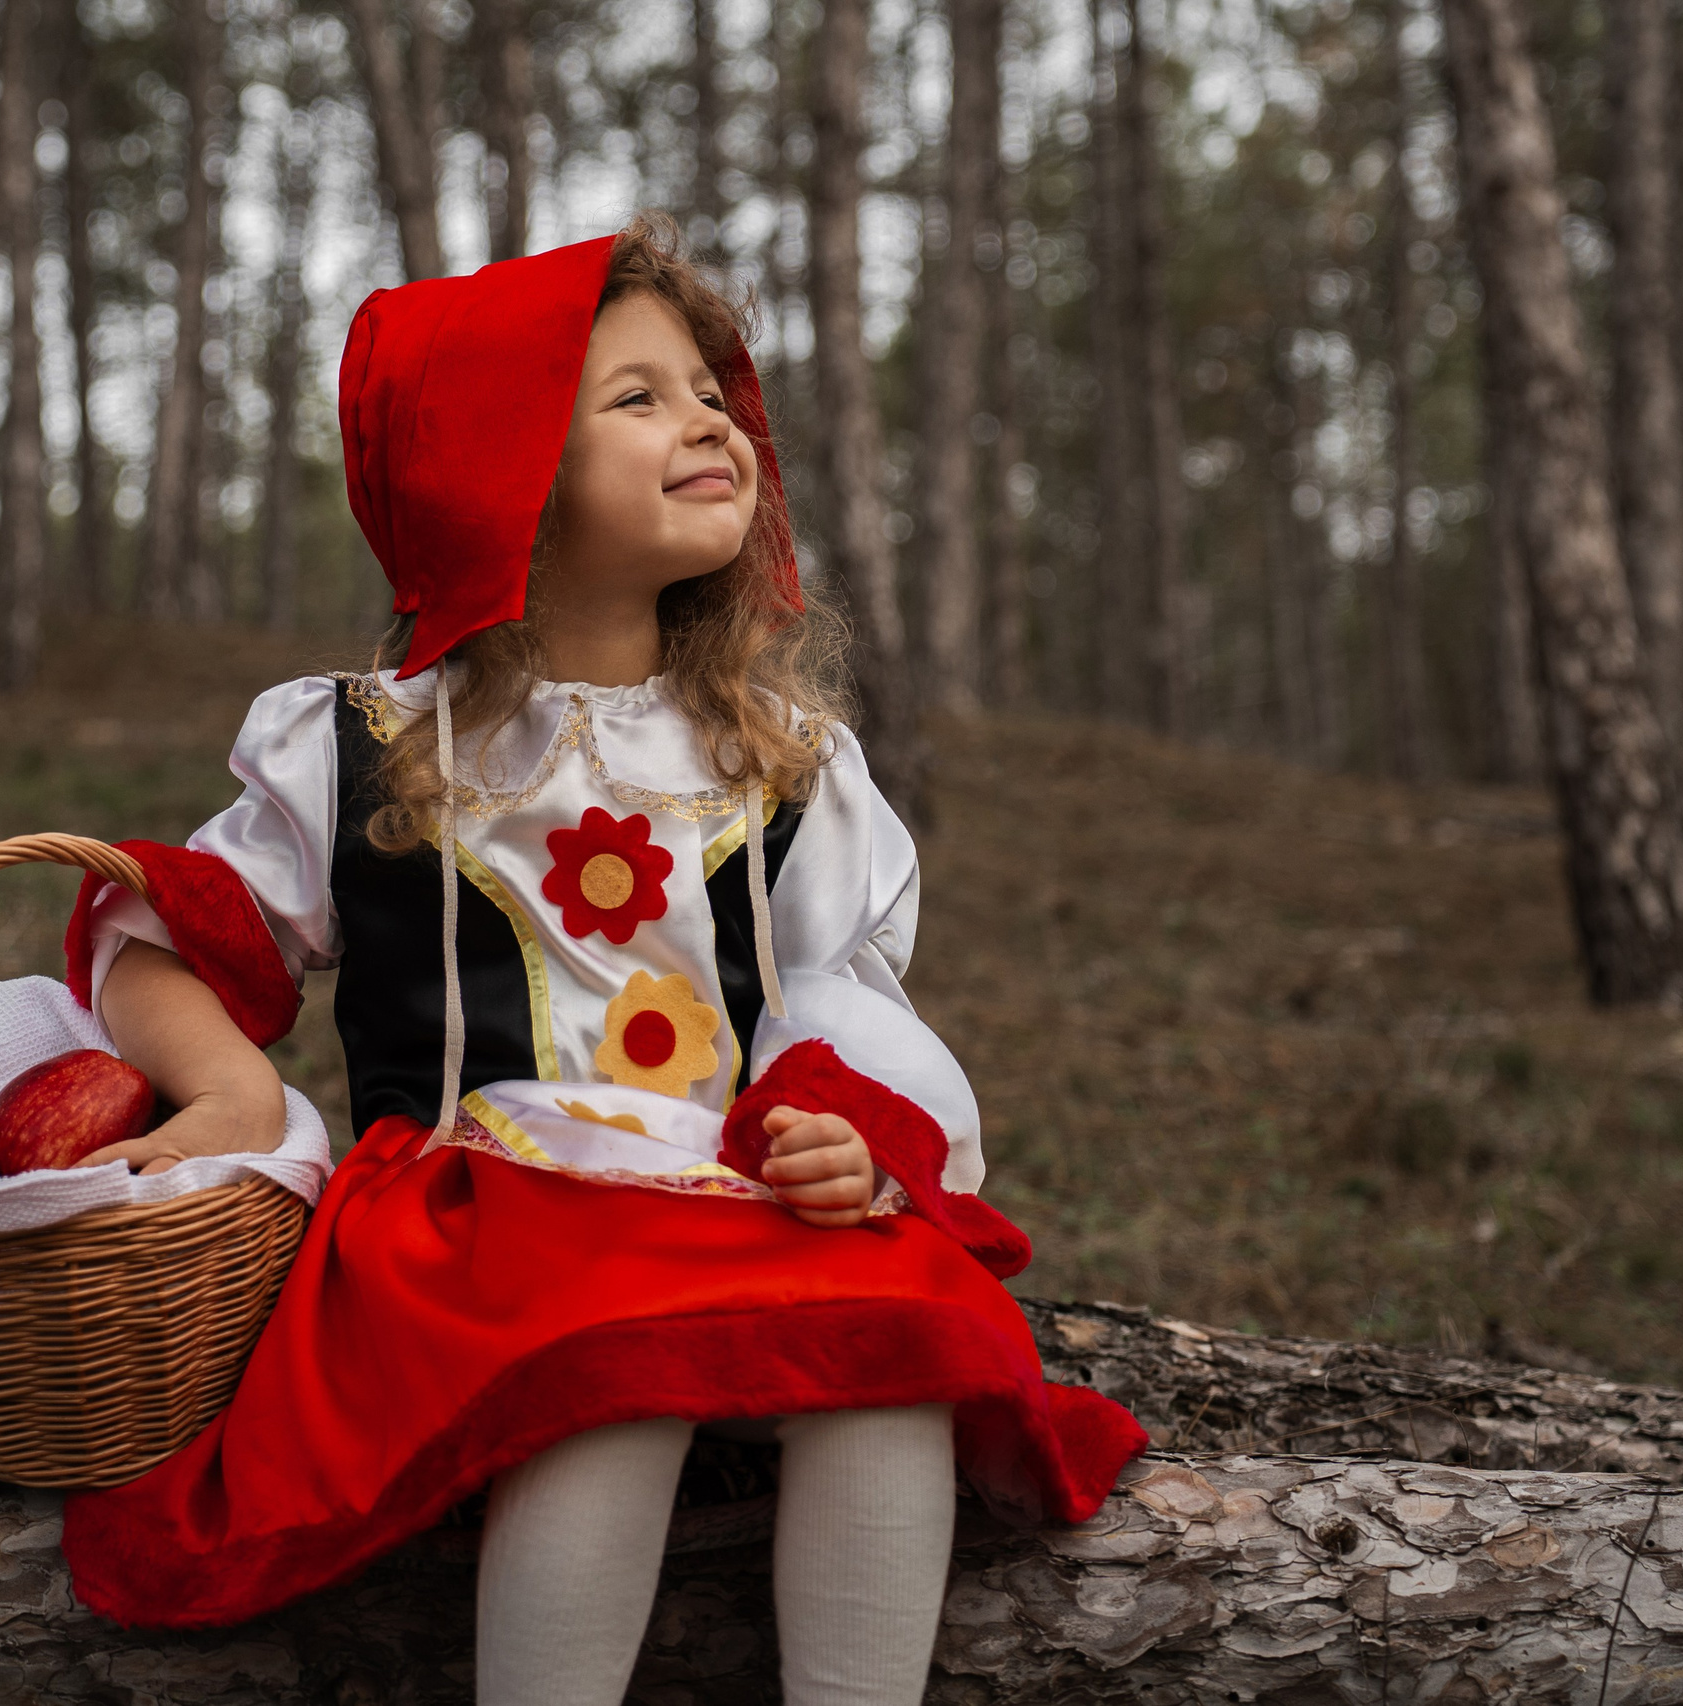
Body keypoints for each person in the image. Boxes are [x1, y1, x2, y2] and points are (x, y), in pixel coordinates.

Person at [56, 214, 1143, 1705]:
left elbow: (838, 996)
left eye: (708, 390)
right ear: (496, 467)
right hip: (482, 1222)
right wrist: (234, 1095)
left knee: (904, 1347)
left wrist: (849, 1130)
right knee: (609, 1362)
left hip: (731, 1197)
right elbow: (155, 937)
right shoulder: (372, 742)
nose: (708, 419)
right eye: (637, 397)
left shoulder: (781, 759)